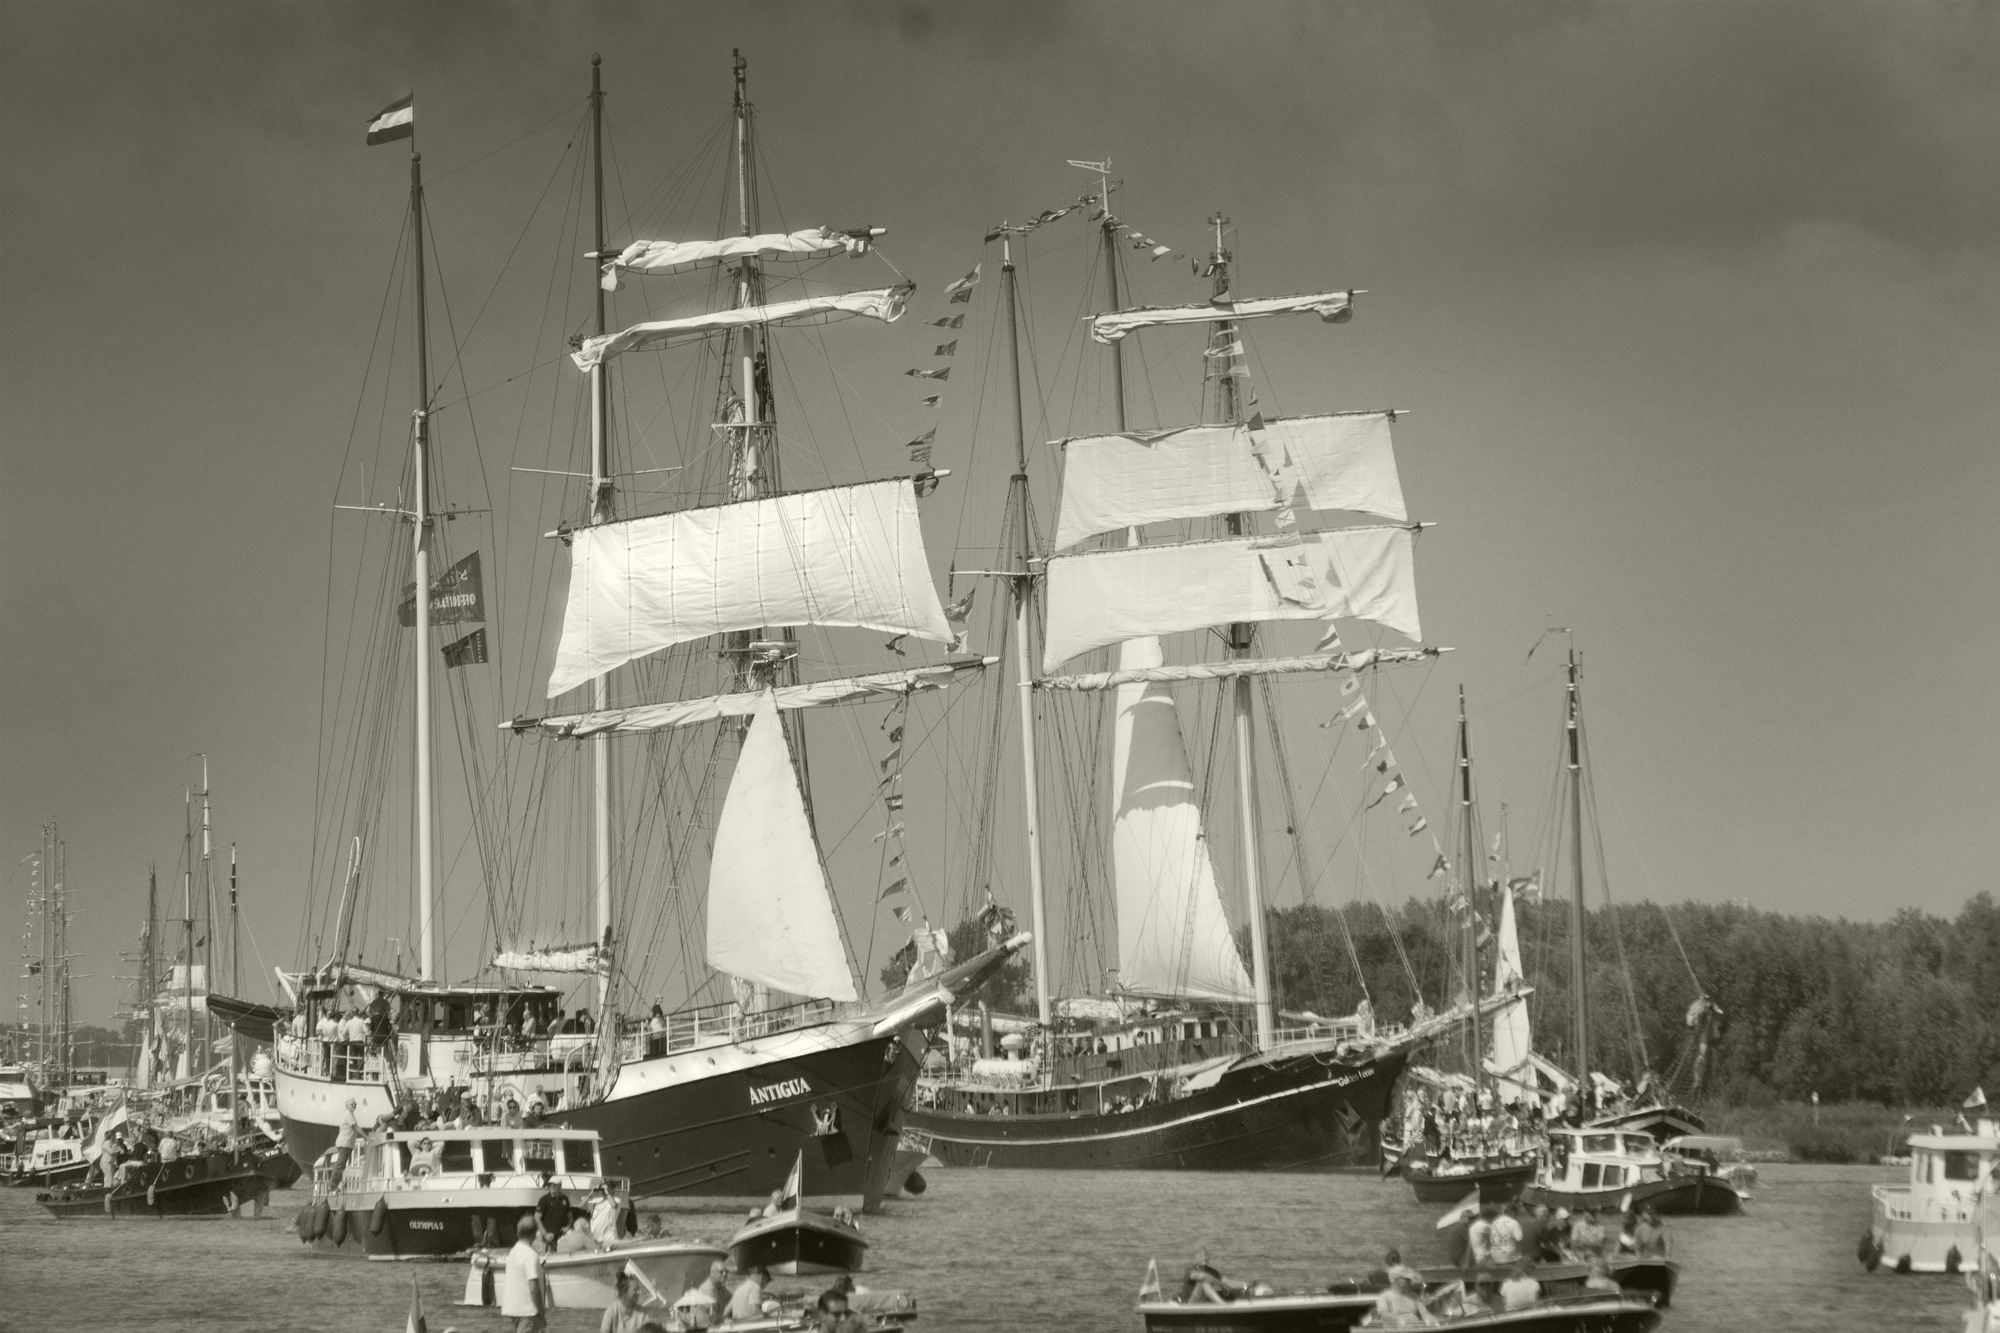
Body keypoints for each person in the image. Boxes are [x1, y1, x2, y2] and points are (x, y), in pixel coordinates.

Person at [502, 1214, 546, 1333]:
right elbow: (534, 1288)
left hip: (513, 1310)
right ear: (535, 1233)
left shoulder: (513, 1252)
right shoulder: (530, 1255)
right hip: (528, 1312)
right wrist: (541, 1312)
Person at [1366, 1268, 1436, 1326]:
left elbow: (1425, 1313)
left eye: (1409, 1279)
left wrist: (1429, 1318)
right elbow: (1385, 1315)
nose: (1410, 1281)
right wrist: (1399, 1319)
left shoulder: (1413, 1297)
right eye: (1407, 1279)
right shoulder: (1384, 1297)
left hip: (1414, 1328)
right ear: (1395, 1281)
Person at [1487, 1202, 1524, 1266]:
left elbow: (1491, 1240)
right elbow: (1520, 1239)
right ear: (1513, 1212)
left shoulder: (1494, 1223)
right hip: (1510, 1255)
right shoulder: (1514, 1223)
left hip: (1495, 1254)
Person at [332, 1098, 362, 1173]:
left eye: (355, 1104)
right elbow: (355, 1127)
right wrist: (366, 1137)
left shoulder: (350, 1114)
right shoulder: (348, 1114)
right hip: (345, 1143)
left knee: (341, 1165)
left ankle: (336, 1179)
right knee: (340, 1165)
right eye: (352, 1104)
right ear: (347, 1106)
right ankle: (334, 1181)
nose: (354, 1105)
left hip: (347, 1143)